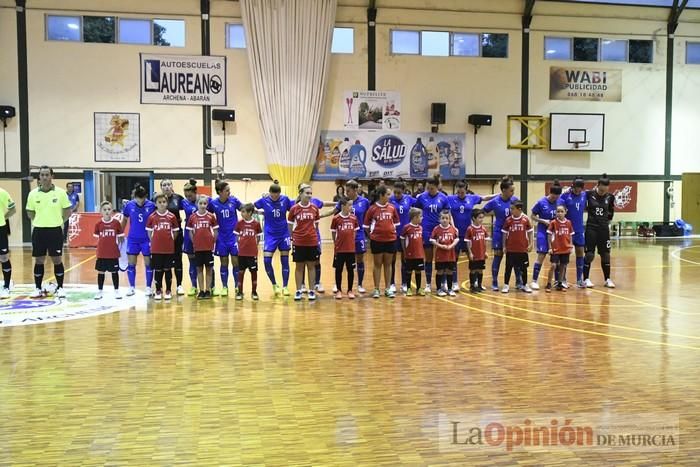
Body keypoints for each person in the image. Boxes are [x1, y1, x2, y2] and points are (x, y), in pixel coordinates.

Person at [26, 166, 72, 298]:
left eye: (47, 175)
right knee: (39, 260)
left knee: (57, 259)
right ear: (39, 177)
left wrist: (58, 221)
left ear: (52, 176)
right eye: (42, 175)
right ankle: (37, 288)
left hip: (55, 231)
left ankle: (60, 288)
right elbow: (30, 213)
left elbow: (68, 211)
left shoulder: (61, 193)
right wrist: (41, 220)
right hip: (39, 231)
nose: (45, 177)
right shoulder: (33, 194)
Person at [447, 180, 496, 292]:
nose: (460, 194)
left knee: (473, 259)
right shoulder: (450, 199)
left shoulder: (471, 198)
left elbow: (484, 198)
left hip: (470, 233)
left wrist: (498, 195)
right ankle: (454, 283)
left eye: (462, 192)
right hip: (456, 234)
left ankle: (475, 284)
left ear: (466, 190)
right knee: (454, 259)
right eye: (458, 192)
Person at [255, 183, 293, 296]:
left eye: (277, 194)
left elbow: (293, 208)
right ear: (270, 193)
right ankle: (274, 284)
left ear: (280, 193)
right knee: (266, 261)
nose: (275, 196)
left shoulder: (285, 199)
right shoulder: (264, 200)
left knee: (285, 261)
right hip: (270, 235)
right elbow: (253, 206)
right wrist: (261, 212)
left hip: (283, 233)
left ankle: (285, 286)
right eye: (273, 194)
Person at [483, 176, 519, 291]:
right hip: (499, 232)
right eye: (511, 190)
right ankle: (494, 281)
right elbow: (483, 211)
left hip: (513, 233)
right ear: (504, 190)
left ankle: (519, 281)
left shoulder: (515, 200)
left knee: (514, 257)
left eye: (513, 190)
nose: (513, 193)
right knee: (498, 256)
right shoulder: (495, 201)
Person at [414, 176, 450, 293]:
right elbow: (416, 210)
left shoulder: (443, 198)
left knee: (443, 258)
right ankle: (428, 284)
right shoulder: (422, 197)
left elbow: (448, 214)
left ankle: (443, 283)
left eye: (432, 188)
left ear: (437, 187)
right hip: (427, 230)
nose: (430, 190)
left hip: (441, 230)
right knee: (428, 258)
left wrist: (452, 227)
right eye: (428, 188)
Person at [363, 186, 400, 299]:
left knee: (388, 264)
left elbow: (396, 223)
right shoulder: (372, 209)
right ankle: (376, 289)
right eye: (388, 194)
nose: (390, 197)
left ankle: (388, 289)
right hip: (377, 241)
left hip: (390, 240)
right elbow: (366, 226)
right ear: (381, 195)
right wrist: (372, 237)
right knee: (378, 264)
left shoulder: (392, 208)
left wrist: (392, 233)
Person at [334, 180, 370, 293]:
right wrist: (320, 215)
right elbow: (334, 211)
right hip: (344, 236)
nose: (346, 193)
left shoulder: (364, 201)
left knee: (359, 259)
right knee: (342, 260)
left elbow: (370, 215)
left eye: (348, 191)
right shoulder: (343, 201)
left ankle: (359, 284)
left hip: (358, 234)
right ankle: (338, 285)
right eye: (346, 190)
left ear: (355, 190)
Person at [208, 180, 242, 297]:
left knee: (236, 262)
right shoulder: (213, 203)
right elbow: (205, 213)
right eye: (227, 190)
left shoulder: (234, 200)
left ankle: (238, 286)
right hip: (221, 237)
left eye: (229, 190)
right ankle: (224, 287)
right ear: (220, 192)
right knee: (224, 263)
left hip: (233, 237)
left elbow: (245, 208)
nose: (229, 192)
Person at [122, 184, 156, 296]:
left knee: (148, 264)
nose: (140, 201)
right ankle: (131, 287)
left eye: (142, 198)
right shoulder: (129, 205)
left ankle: (148, 287)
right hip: (133, 239)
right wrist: (120, 233)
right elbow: (125, 220)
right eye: (138, 198)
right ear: (134, 197)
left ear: (146, 196)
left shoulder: (151, 205)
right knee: (131, 264)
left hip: (147, 239)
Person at [583, 173, 616, 288]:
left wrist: (608, 224)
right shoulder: (588, 195)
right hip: (591, 228)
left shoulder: (610, 197)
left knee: (606, 254)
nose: (603, 192)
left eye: (605, 190)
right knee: (589, 254)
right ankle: (585, 279)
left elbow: (611, 212)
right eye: (601, 190)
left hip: (604, 229)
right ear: (598, 185)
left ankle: (607, 279)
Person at [288, 185, 320, 301]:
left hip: (311, 242)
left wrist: (313, 237)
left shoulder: (315, 208)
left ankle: (311, 291)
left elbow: (316, 225)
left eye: (311, 193)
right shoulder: (294, 209)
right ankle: (298, 291)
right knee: (299, 267)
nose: (309, 195)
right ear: (300, 194)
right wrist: (293, 237)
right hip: (298, 242)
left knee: (311, 266)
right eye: (307, 193)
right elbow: (290, 225)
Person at [529, 180, 562, 290]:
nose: (555, 199)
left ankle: (558, 281)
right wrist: (543, 220)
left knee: (556, 258)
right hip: (543, 231)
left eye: (557, 197)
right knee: (541, 255)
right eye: (553, 197)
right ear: (550, 192)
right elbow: (532, 216)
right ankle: (534, 281)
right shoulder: (541, 202)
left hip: (555, 233)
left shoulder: (560, 202)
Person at [155, 179, 186, 295]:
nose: (166, 187)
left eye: (168, 184)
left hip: (176, 233)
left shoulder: (178, 198)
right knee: (163, 262)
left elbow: (188, 207)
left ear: (172, 186)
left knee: (178, 259)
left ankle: (179, 285)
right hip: (162, 236)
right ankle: (160, 288)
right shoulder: (158, 199)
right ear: (161, 187)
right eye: (164, 185)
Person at [146, 194, 180, 300]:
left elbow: (175, 232)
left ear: (167, 203)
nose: (162, 204)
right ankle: (158, 290)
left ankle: (168, 290)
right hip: (156, 249)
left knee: (167, 270)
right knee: (158, 270)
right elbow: (149, 232)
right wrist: (155, 242)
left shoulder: (171, 217)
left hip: (168, 249)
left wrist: (169, 241)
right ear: (155, 204)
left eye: (164, 202)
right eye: (159, 202)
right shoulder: (152, 217)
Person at [186, 195, 218, 300]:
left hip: (208, 248)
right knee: (199, 270)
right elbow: (190, 231)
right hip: (198, 248)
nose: (203, 206)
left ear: (207, 205)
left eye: (205, 204)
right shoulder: (193, 217)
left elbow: (216, 231)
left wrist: (213, 241)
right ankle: (201, 291)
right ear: (197, 204)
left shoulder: (211, 216)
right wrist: (194, 241)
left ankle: (208, 290)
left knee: (209, 269)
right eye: (200, 203)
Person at [558, 177, 587, 287]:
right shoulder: (565, 196)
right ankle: (563, 279)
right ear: (572, 186)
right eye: (576, 188)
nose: (578, 191)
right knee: (565, 255)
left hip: (579, 230)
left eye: (580, 189)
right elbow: (559, 209)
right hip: (567, 230)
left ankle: (579, 279)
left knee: (580, 252)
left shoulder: (584, 195)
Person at [93, 201, 124, 300]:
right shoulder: (98, 224)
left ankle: (116, 291)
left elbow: (120, 238)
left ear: (112, 211)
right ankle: (100, 291)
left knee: (114, 272)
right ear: (101, 211)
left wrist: (119, 249)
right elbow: (97, 238)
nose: (107, 211)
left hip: (113, 253)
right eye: (105, 209)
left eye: (109, 209)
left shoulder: (116, 223)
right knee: (101, 272)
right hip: (102, 253)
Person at [389, 181, 416, 293]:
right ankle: (391, 284)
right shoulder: (390, 200)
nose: (396, 195)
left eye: (399, 193)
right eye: (395, 192)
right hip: (393, 233)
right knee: (392, 260)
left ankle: (405, 283)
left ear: (404, 191)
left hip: (406, 234)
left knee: (405, 259)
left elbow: (421, 206)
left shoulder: (409, 199)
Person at [501, 201, 533, 294]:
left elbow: (530, 232)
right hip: (511, 249)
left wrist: (531, 244)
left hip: (522, 249)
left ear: (519, 209)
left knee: (523, 268)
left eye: (512, 209)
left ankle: (525, 284)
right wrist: (504, 246)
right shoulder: (508, 220)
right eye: (510, 208)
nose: (511, 210)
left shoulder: (525, 219)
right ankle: (506, 285)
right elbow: (504, 233)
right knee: (508, 267)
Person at [330, 197, 359, 299]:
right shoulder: (336, 218)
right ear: (343, 206)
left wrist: (350, 243)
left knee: (350, 270)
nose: (351, 207)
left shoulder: (354, 218)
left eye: (352, 205)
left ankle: (350, 290)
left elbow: (354, 233)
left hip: (350, 249)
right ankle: (338, 290)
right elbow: (333, 234)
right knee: (339, 270)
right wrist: (337, 244)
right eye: (349, 205)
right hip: (339, 250)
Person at [234, 204, 262, 301]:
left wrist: (253, 246)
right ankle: (240, 291)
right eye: (241, 211)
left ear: (250, 213)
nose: (241, 213)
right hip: (242, 253)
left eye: (243, 212)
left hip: (252, 253)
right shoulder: (239, 223)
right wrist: (241, 244)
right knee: (241, 272)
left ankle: (254, 292)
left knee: (253, 272)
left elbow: (258, 237)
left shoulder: (256, 224)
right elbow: (237, 236)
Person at [430, 210, 459, 297]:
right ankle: (439, 289)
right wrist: (439, 245)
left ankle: (450, 289)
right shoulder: (436, 229)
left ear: (449, 219)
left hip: (450, 255)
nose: (445, 220)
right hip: (440, 255)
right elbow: (431, 240)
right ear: (439, 219)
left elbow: (457, 239)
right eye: (443, 218)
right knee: (440, 271)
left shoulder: (453, 229)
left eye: (446, 218)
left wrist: (451, 246)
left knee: (450, 271)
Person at [546, 205, 574, 293]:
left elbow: (570, 235)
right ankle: (549, 284)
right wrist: (550, 247)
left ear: (565, 212)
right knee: (553, 265)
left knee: (563, 266)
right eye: (558, 211)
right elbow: (549, 235)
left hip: (565, 248)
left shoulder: (568, 222)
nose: (560, 213)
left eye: (562, 211)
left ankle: (560, 283)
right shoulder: (553, 222)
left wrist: (571, 245)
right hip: (556, 248)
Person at [181, 179, 201, 296]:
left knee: (207, 262)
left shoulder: (204, 200)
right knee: (192, 261)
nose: (188, 197)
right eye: (186, 195)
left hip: (203, 234)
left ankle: (211, 286)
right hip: (189, 234)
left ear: (195, 192)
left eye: (190, 195)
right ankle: (194, 286)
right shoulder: (183, 202)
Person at [400, 208, 425, 296]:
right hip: (410, 255)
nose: (422, 218)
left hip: (419, 255)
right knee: (409, 271)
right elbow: (402, 239)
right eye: (420, 217)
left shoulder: (421, 228)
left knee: (418, 271)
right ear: (415, 217)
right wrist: (405, 251)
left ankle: (419, 288)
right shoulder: (407, 227)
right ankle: (408, 288)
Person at [466, 209, 488, 294]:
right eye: (479, 218)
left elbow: (485, 241)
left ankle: (479, 285)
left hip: (481, 253)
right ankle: (472, 286)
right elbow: (468, 241)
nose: (481, 219)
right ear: (474, 218)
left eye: (482, 218)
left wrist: (485, 251)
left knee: (480, 270)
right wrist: (470, 252)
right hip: (474, 254)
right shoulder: (470, 229)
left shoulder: (483, 228)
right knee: (473, 270)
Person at [0, 186, 16, 298]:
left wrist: (3, 217)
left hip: (0, 228)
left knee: (4, 257)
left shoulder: (3, 193)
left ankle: (6, 285)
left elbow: (12, 209)